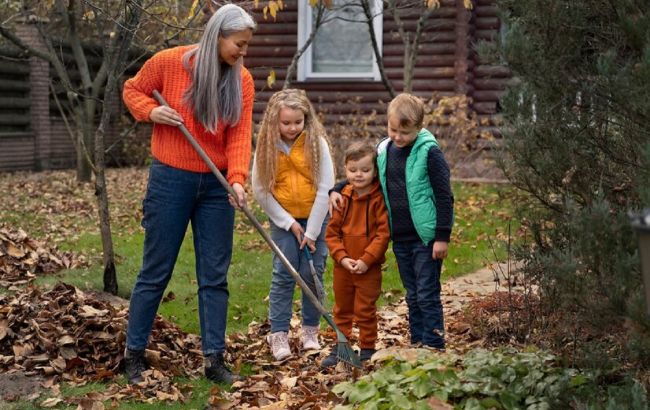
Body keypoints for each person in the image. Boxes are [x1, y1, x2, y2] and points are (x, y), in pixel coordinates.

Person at [121, 4, 256, 385]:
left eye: (246, 46)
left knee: (214, 275)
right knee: (155, 270)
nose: (242, 53)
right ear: (218, 35)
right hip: (171, 180)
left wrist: (239, 178)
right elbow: (132, 89)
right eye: (239, 44)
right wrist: (151, 112)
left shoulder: (241, 81)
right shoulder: (169, 63)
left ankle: (214, 360)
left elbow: (239, 134)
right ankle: (133, 355)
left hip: (217, 187)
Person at [329, 93, 454, 350]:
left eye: (404, 132)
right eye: (393, 129)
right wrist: (337, 187)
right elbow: (364, 174)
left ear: (419, 128)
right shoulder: (384, 150)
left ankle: (434, 343)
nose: (397, 137)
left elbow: (444, 196)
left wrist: (442, 236)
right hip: (401, 237)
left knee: (427, 292)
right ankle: (417, 340)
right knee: (412, 293)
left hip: (426, 237)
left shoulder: (430, 153)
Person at [252, 89, 335, 361]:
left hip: (316, 217)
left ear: (306, 119)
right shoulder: (266, 146)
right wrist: (288, 223)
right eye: (286, 123)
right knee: (284, 274)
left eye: (297, 122)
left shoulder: (316, 143)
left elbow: (326, 188)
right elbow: (261, 190)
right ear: (274, 122)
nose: (292, 128)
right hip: (284, 220)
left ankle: (310, 331)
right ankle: (279, 334)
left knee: (312, 273)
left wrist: (311, 232)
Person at [321, 141, 390, 368]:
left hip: (367, 268)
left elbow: (382, 235)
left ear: (374, 171)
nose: (358, 175)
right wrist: (341, 257)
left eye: (365, 170)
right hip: (344, 267)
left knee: (365, 309)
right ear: (345, 169)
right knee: (342, 308)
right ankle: (341, 345)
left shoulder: (379, 199)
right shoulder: (342, 198)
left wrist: (366, 260)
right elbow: (331, 234)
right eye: (352, 170)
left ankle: (368, 348)